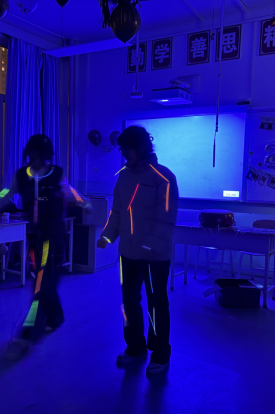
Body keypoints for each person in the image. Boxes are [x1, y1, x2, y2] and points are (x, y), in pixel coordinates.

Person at [0, 134, 89, 360]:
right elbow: (5, 193)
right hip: (35, 237)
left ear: (46, 156)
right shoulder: (21, 175)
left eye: (37, 157)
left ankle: (26, 336)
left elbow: (69, 190)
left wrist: (85, 203)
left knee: (41, 286)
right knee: (45, 283)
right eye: (31, 156)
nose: (33, 161)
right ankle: (55, 317)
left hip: (53, 236)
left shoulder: (56, 173)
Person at [97, 126, 179, 376]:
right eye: (121, 150)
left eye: (127, 149)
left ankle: (160, 353)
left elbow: (166, 218)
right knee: (129, 303)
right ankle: (135, 347)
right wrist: (107, 236)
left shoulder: (163, 177)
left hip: (155, 256)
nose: (123, 154)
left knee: (156, 305)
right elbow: (117, 211)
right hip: (128, 253)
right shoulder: (123, 176)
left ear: (141, 147)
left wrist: (149, 244)